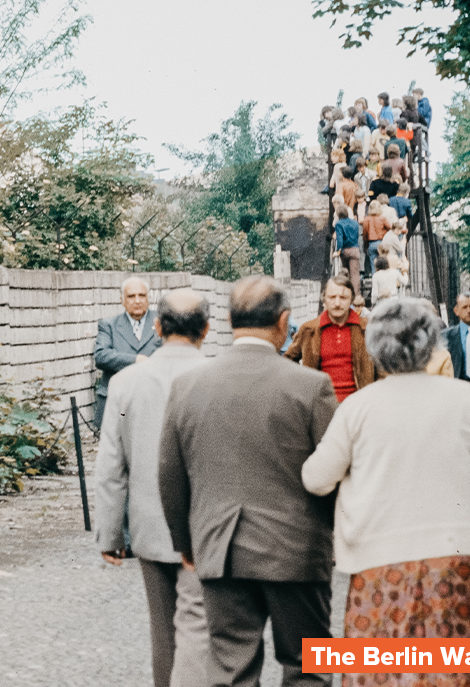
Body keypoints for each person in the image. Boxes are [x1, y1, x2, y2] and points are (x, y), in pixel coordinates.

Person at [302, 298, 470, 687]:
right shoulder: (468, 400)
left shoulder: (358, 408)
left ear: (376, 349)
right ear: (432, 344)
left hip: (380, 560)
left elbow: (317, 478)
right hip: (462, 556)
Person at [159, 276, 338, 687]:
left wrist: (186, 544)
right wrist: (332, 536)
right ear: (284, 321)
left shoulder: (188, 386)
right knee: (307, 667)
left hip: (221, 549)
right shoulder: (311, 386)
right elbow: (334, 472)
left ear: (226, 320)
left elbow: (170, 473)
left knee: (230, 669)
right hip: (299, 550)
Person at [95, 289, 210, 687]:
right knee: (208, 632)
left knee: (163, 634)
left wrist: (111, 532)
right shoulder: (216, 377)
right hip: (208, 527)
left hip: (148, 525)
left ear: (158, 328)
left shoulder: (126, 384)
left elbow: (113, 460)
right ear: (207, 330)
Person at [285, 275, 376, 402]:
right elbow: (287, 360)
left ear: (351, 300)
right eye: (332, 297)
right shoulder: (309, 330)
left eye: (343, 298)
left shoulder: (368, 330)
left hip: (359, 407)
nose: (337, 303)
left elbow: (383, 368)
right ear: (324, 300)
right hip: (321, 408)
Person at [93, 277, 161, 430]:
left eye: (142, 295)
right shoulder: (109, 325)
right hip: (118, 405)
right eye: (131, 296)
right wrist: (136, 359)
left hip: (152, 402)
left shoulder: (162, 322)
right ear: (122, 300)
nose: (137, 301)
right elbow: (101, 356)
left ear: (148, 298)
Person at [360, 202, 391, 276]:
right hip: (382, 243)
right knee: (384, 264)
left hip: (371, 243)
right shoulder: (382, 218)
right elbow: (390, 227)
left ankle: (375, 280)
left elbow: (365, 233)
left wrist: (366, 244)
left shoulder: (367, 219)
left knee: (374, 265)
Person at [334, 205, 361, 279]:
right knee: (355, 274)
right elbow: (357, 236)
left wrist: (338, 251)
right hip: (355, 249)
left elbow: (340, 239)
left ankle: (346, 289)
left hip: (345, 250)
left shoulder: (339, 224)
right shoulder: (355, 223)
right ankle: (355, 290)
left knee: (345, 272)